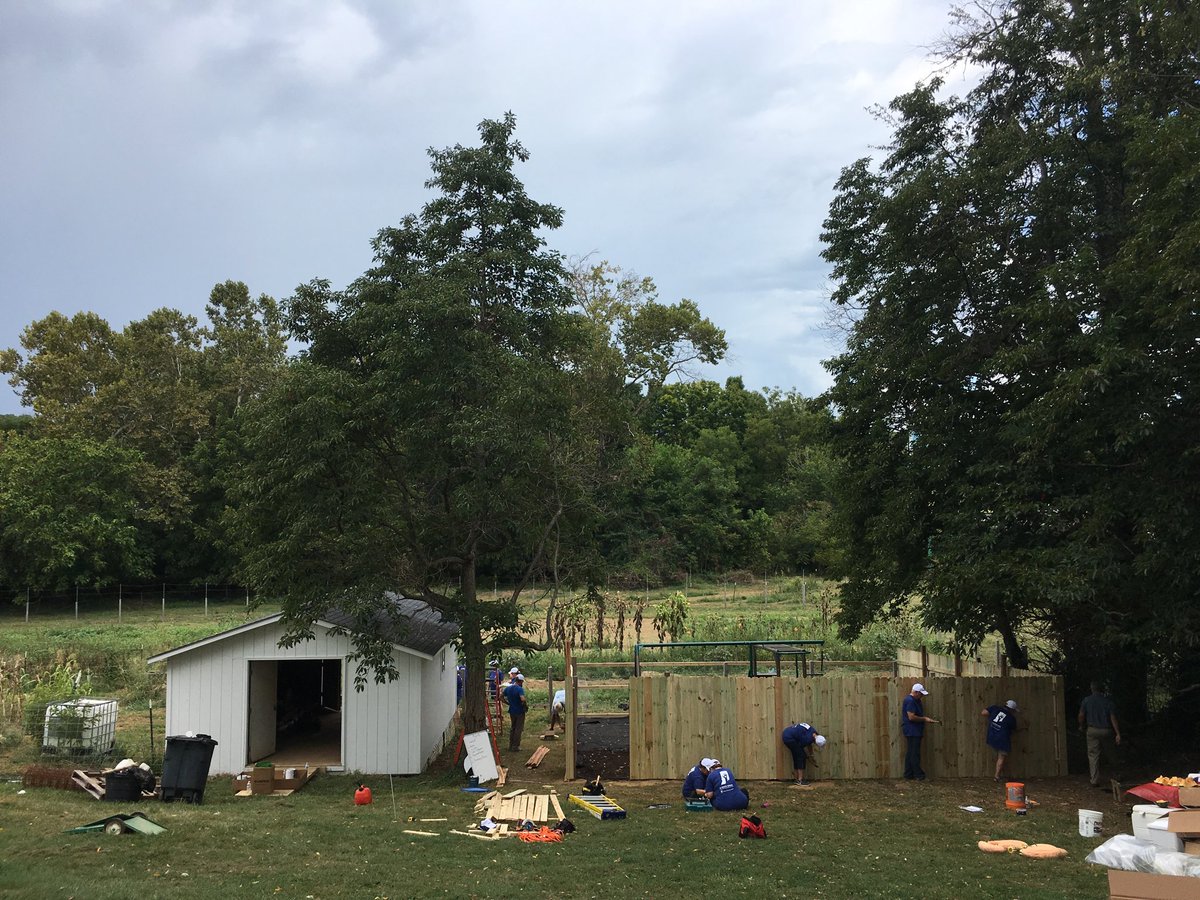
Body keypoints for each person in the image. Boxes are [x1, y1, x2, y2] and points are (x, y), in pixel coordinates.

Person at [1078, 682, 1121, 788]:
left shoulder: (1086, 700)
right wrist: (1117, 733)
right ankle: (1116, 775)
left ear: (1092, 689)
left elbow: (1081, 715)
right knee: (1111, 753)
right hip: (1106, 730)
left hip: (1092, 730)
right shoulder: (1108, 702)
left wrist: (1081, 725)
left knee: (1093, 755)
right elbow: (1113, 718)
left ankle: (1094, 779)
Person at [901, 682, 938, 780]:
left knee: (911, 752)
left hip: (914, 730)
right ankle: (919, 775)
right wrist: (925, 719)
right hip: (912, 730)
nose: (922, 696)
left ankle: (908, 774)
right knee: (914, 753)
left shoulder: (915, 700)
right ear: (916, 692)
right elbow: (911, 717)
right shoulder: (910, 701)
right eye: (921, 694)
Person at [981, 699, 1019, 781]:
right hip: (1003, 739)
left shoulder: (995, 708)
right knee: (1001, 757)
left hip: (991, 736)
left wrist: (992, 716)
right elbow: (1014, 729)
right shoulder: (1011, 718)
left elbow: (983, 713)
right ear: (1012, 710)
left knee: (999, 756)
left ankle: (997, 776)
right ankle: (996, 776)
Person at [503, 673, 528, 752]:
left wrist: (507, 703)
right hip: (519, 711)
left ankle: (510, 745)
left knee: (513, 728)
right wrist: (525, 705)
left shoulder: (508, 688)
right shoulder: (519, 689)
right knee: (518, 729)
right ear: (520, 681)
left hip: (512, 711)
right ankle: (516, 746)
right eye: (522, 682)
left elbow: (500, 696)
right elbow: (523, 699)